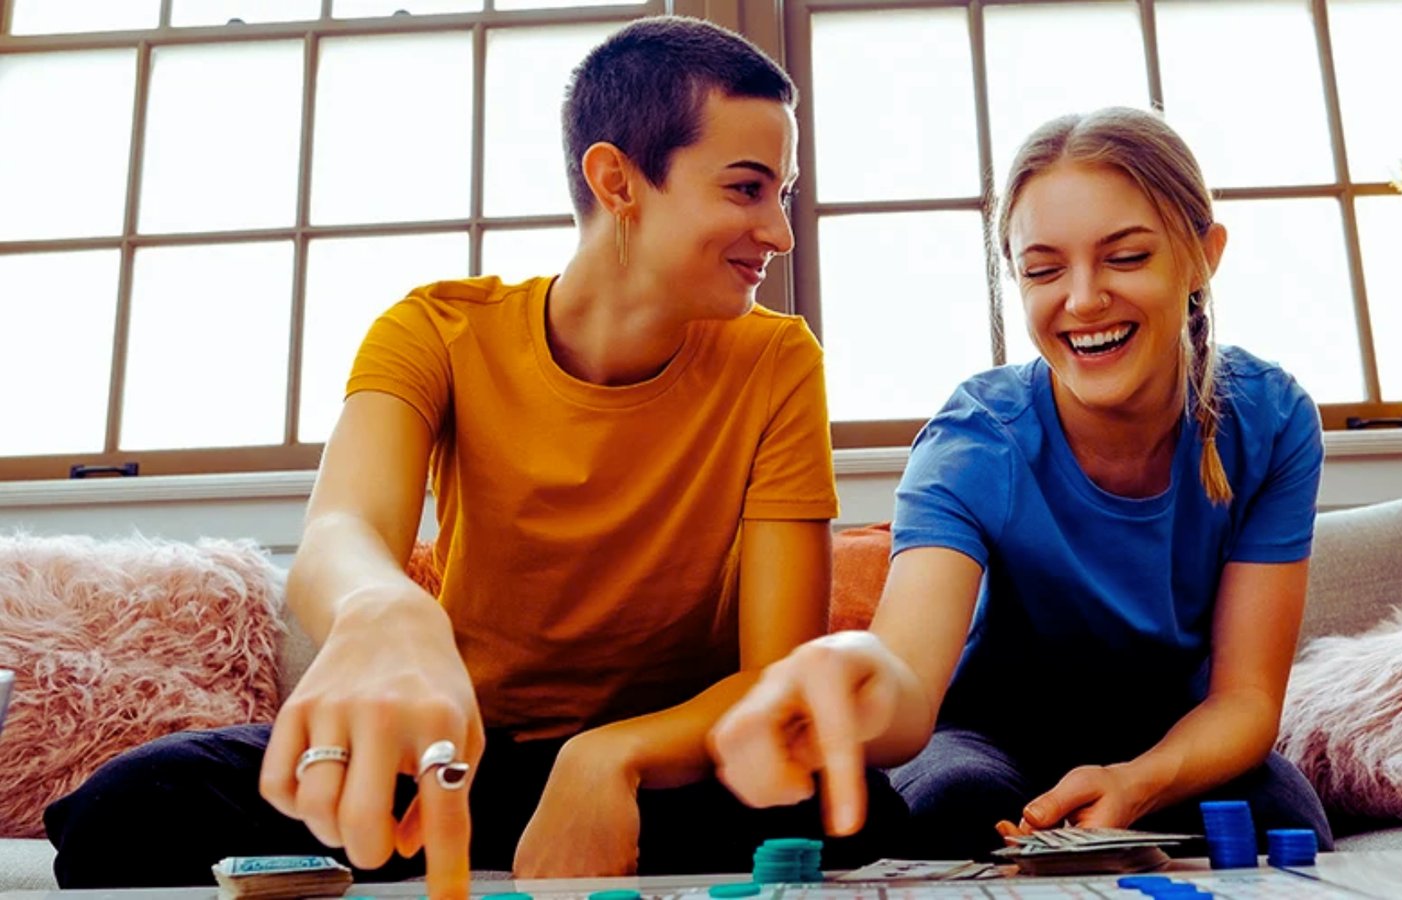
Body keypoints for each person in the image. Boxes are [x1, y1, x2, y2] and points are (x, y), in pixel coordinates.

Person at [44, 16, 904, 900]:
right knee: (133, 806)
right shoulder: (436, 329)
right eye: (746, 189)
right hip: (459, 761)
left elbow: (772, 676)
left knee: (863, 813)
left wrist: (609, 758)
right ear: (618, 180)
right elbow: (341, 527)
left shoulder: (779, 361)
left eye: (783, 195)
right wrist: (380, 605)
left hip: (669, 769)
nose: (779, 232)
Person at [709, 107, 1334, 861]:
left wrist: (1140, 782)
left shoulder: (1272, 419)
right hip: (988, 738)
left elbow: (1245, 699)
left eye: (1126, 257)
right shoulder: (978, 436)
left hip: (1172, 738)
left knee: (1280, 814)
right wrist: (855, 669)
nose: (1081, 299)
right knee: (955, 808)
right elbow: (908, 678)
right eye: (1042, 271)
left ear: (1203, 257)